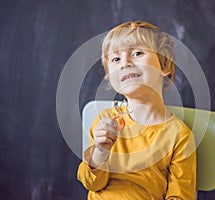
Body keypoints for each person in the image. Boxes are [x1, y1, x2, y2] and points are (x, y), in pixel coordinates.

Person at [77, 21, 196, 200]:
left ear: (164, 65)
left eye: (137, 53)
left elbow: (180, 196)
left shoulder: (179, 136)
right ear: (110, 76)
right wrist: (100, 152)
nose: (125, 63)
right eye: (116, 59)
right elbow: (92, 183)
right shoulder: (105, 121)